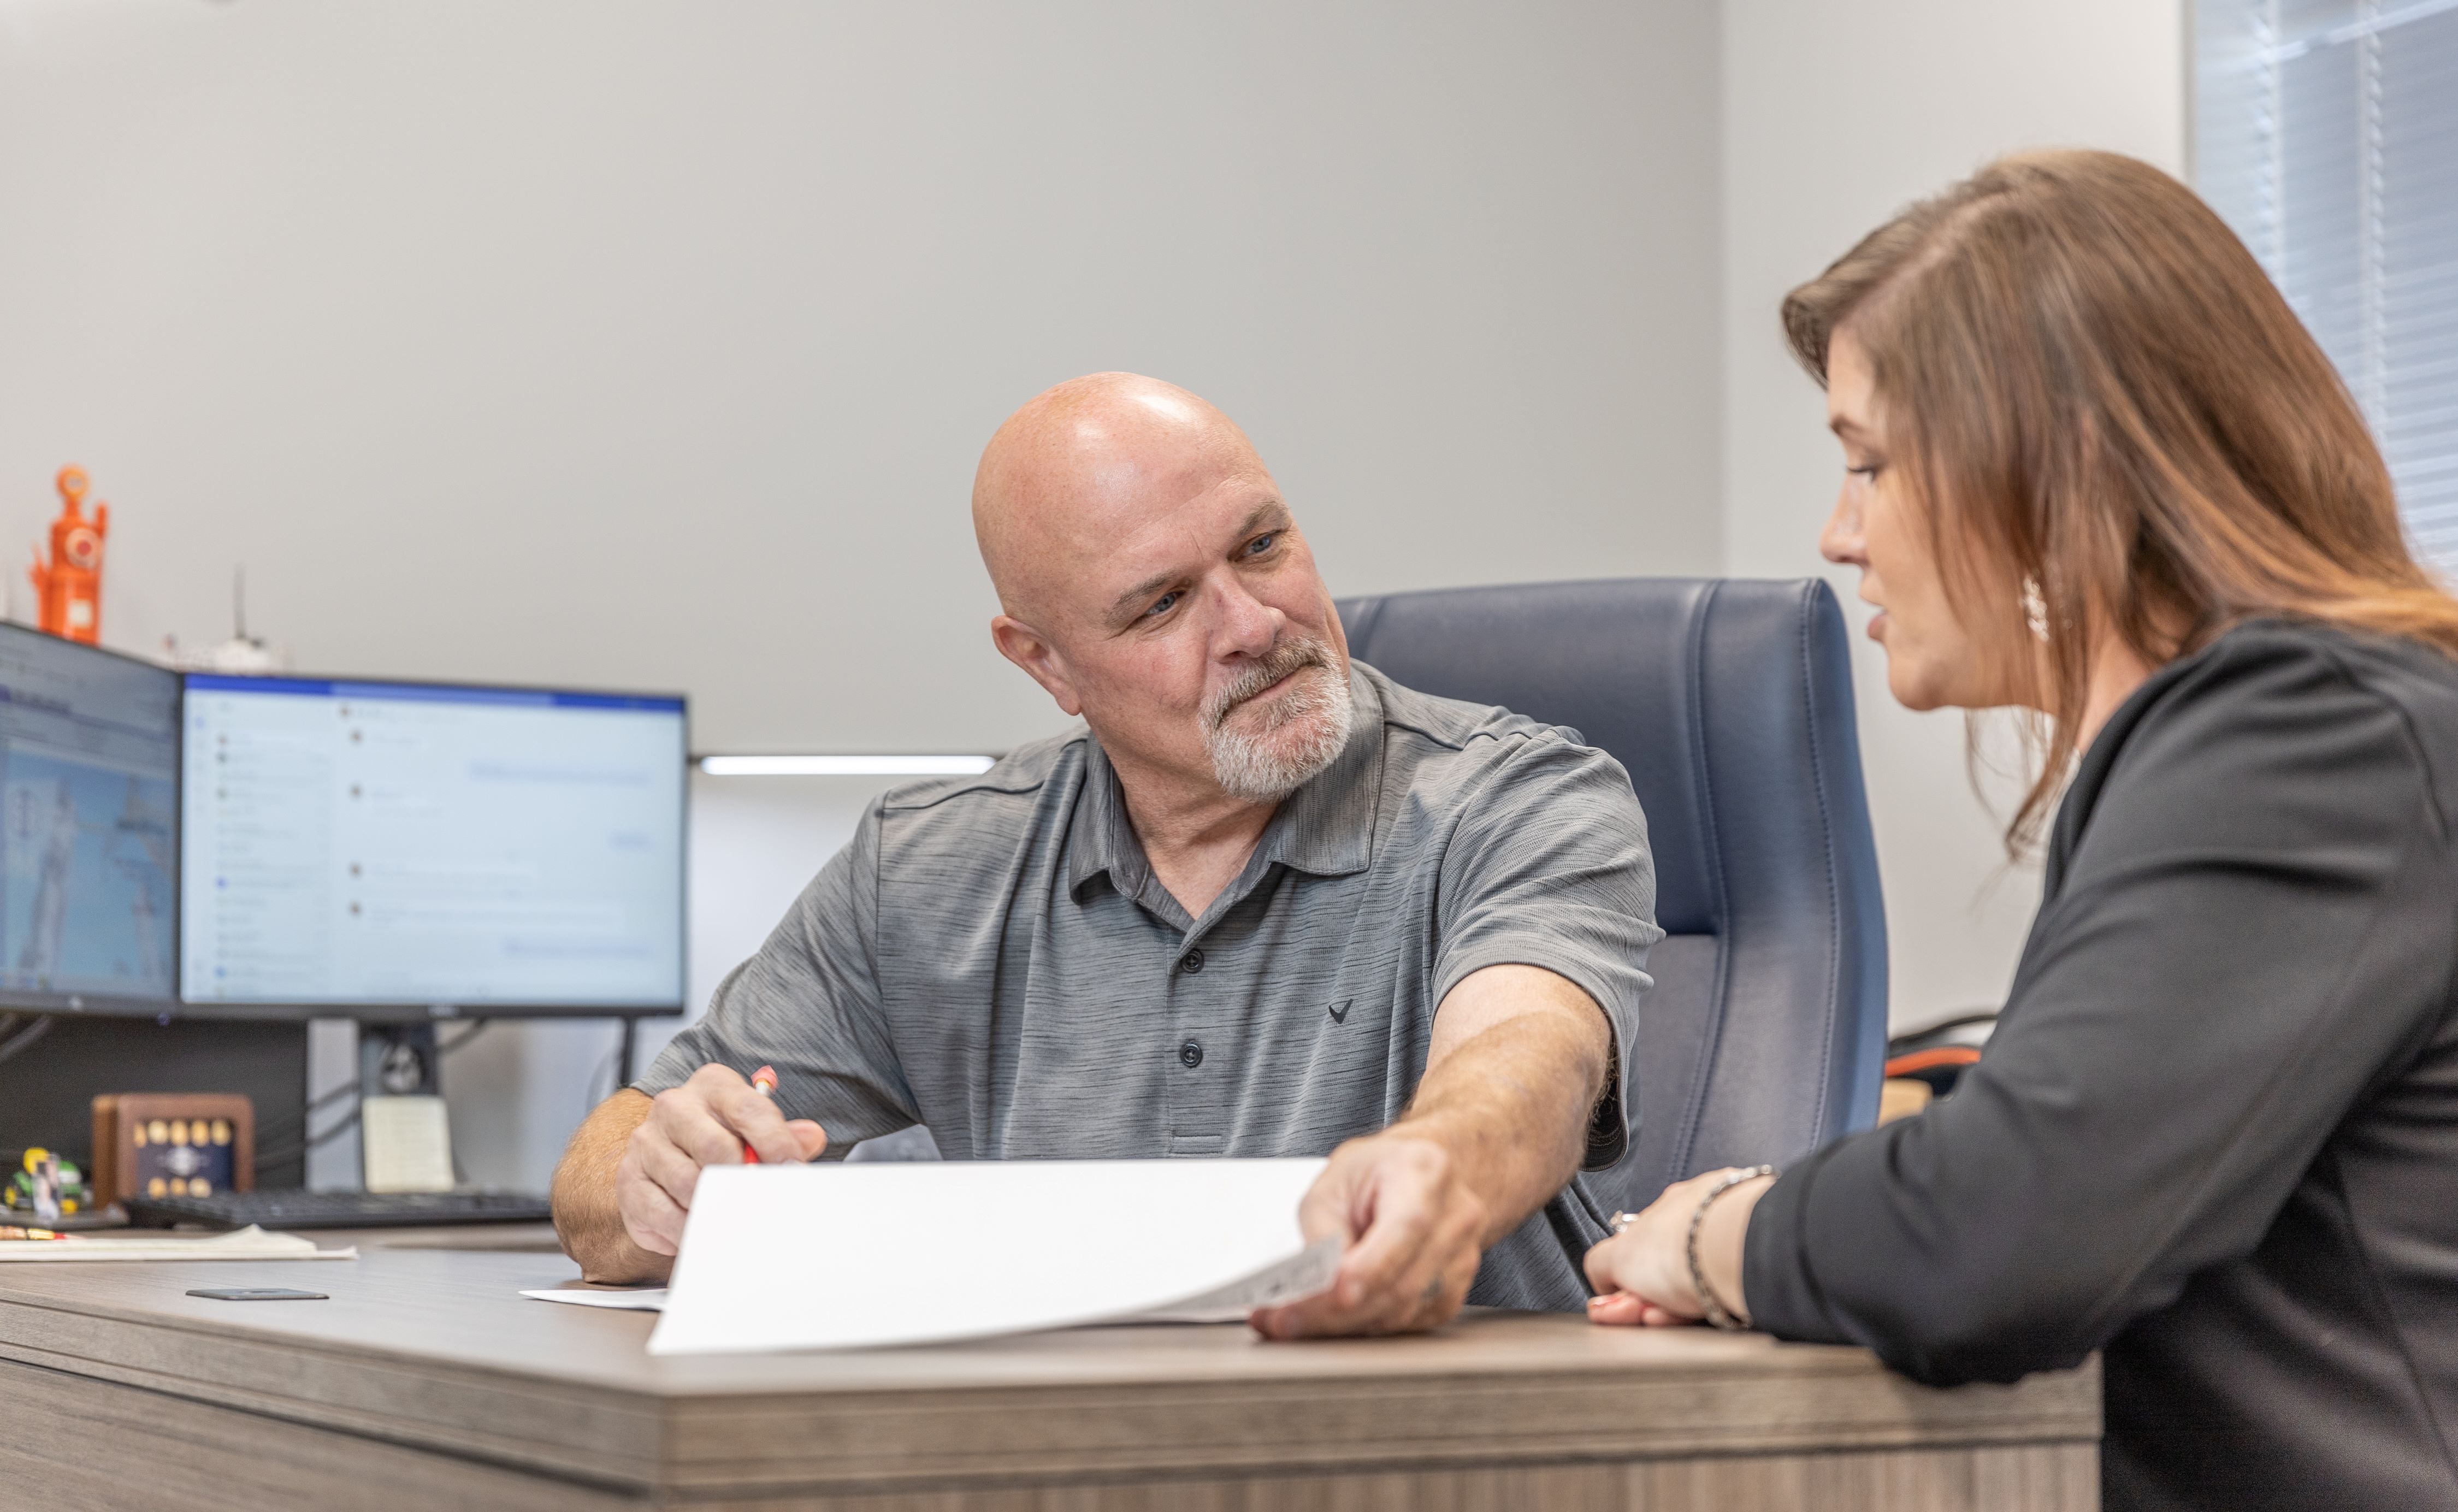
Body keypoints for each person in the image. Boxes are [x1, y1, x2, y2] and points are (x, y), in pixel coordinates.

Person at [1581, 149, 2458, 1510]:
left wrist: (1714, 1231)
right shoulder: (2277, 735)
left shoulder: (2306, 733)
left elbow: (1996, 1233)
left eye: (1870, 464)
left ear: (2058, 474)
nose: (1838, 531)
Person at [553, 372, 1661, 1336]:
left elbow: (1531, 1056)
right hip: (1058, 1453)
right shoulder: (925, 869)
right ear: (1047, 665)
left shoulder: (1519, 797)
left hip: (1435, 1451)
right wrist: (662, 1178)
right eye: (1164, 602)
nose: (1252, 623)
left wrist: (1442, 1160)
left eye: (1263, 545)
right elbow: (603, 1172)